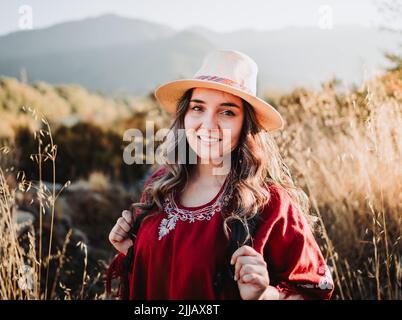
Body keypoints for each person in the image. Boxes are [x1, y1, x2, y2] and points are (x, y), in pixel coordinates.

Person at [105, 50, 334, 300]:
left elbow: (314, 293)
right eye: (197, 108)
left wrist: (265, 295)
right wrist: (131, 250)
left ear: (246, 124)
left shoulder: (271, 204)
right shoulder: (160, 185)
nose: (208, 123)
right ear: (184, 115)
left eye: (227, 112)